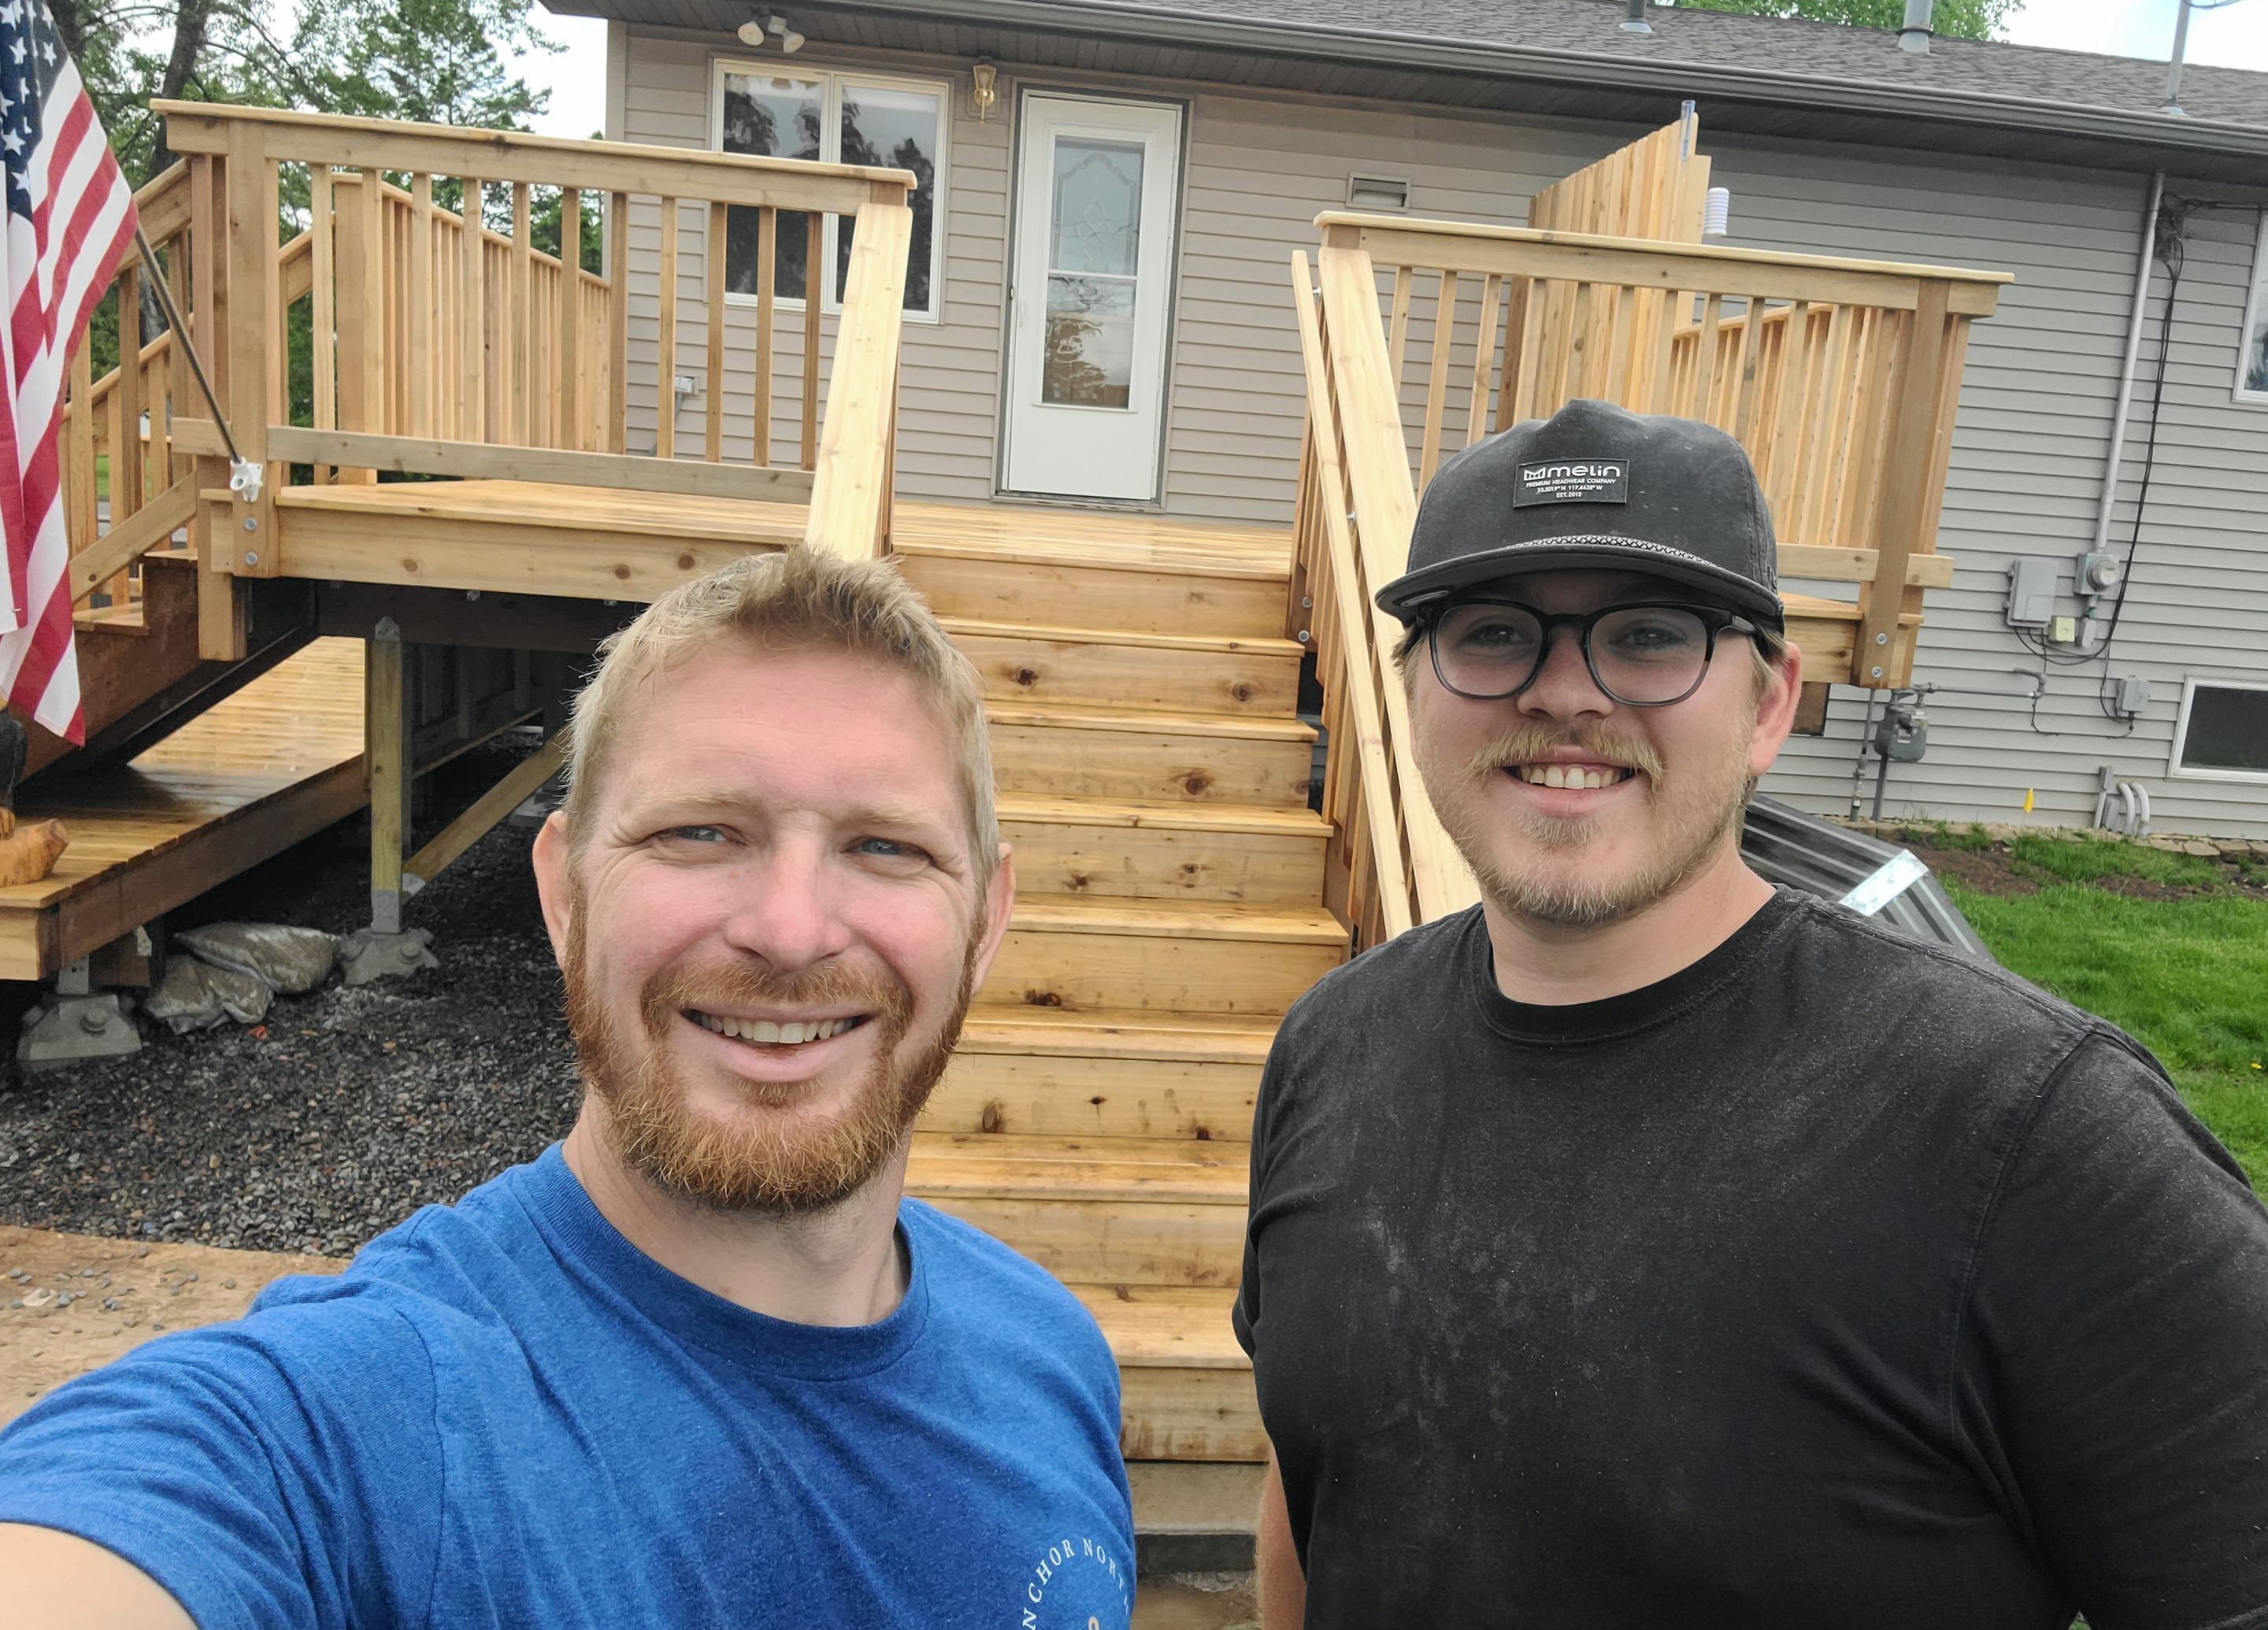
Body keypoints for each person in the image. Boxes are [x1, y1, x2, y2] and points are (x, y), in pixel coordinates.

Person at [1236, 399, 2268, 1629]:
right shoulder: (1334, 1048)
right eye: (1494, 634)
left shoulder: (2035, 1138)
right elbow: (1311, 1477)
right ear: (1414, 690)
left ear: (1770, 704)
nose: (1564, 694)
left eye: (1649, 637)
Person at [0, 546, 1136, 1628]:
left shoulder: (1050, 1354)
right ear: (564, 898)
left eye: (887, 847)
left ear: (984, 922)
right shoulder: (371, 1424)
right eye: (700, 831)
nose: (791, 931)